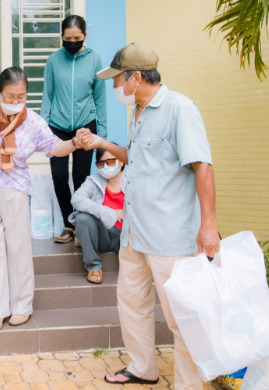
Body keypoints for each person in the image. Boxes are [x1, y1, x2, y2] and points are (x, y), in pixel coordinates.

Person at [78, 43, 220, 389]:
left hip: (170, 237)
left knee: (181, 318)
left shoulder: (179, 109)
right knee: (131, 304)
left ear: (136, 78)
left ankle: (189, 384)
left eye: (118, 81)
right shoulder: (138, 112)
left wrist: (209, 227)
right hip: (134, 234)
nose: (115, 88)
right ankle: (143, 367)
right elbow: (138, 157)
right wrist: (101, 143)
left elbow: (202, 166)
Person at [0, 67, 83, 333]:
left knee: (19, 249)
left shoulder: (32, 122)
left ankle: (21, 306)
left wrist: (75, 143)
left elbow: (54, 148)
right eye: (9, 96)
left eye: (21, 96)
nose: (15, 102)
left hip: (16, 191)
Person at [41, 15, 107, 245]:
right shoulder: (53, 60)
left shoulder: (95, 60)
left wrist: (103, 133)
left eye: (77, 38)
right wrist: (43, 129)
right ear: (62, 37)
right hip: (57, 127)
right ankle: (68, 224)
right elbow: (47, 96)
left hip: (85, 124)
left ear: (85, 36)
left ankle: (81, 225)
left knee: (81, 177)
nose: (72, 42)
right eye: (67, 38)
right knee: (59, 176)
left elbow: (100, 98)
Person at [69, 147, 125, 284]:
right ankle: (93, 266)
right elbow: (76, 199)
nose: (106, 166)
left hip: (126, 236)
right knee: (82, 217)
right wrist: (109, 212)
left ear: (121, 162)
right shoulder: (94, 180)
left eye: (111, 161)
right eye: (101, 163)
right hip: (103, 235)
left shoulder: (133, 179)